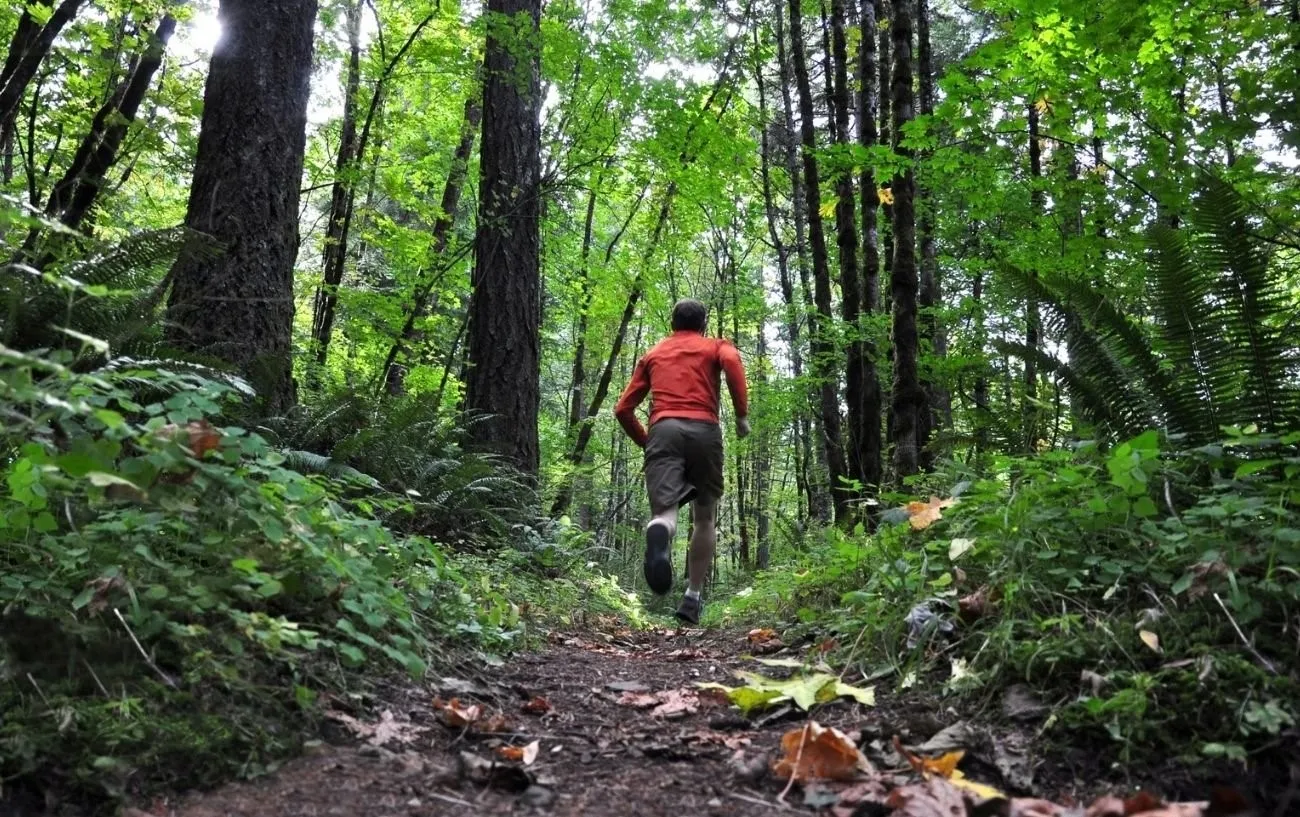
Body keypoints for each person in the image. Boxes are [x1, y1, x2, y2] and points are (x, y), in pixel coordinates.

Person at [613, 298, 750, 624]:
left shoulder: (654, 353)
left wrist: (648, 443)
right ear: (703, 324)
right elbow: (731, 362)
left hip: (664, 429)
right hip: (704, 430)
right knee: (704, 518)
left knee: (665, 513)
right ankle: (692, 597)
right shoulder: (715, 346)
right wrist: (742, 415)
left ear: (672, 324)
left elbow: (622, 409)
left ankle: (659, 532)